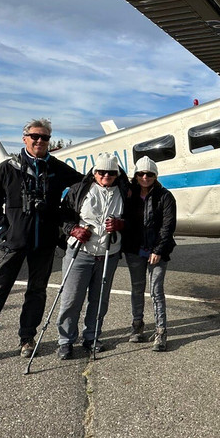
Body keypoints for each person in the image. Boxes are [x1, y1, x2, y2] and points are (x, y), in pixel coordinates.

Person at [0, 119, 82, 371]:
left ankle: (27, 338)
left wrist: (120, 184)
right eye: (34, 136)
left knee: (36, 291)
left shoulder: (57, 168)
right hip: (13, 243)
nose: (39, 141)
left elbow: (86, 183)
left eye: (45, 138)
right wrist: (2, 229)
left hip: (44, 244)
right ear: (25, 138)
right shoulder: (8, 168)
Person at [55, 153, 129, 359]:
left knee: (99, 300)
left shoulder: (124, 191)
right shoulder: (80, 189)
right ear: (94, 172)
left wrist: (122, 224)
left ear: (117, 174)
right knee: (71, 300)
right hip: (80, 252)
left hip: (108, 253)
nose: (106, 175)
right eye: (101, 171)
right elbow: (63, 215)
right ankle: (65, 341)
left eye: (111, 172)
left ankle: (92, 338)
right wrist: (73, 229)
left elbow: (132, 219)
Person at [122, 156, 177, 351]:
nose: (145, 177)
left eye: (150, 174)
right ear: (135, 176)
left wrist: (158, 250)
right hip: (134, 250)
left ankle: (161, 331)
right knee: (137, 288)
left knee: (156, 291)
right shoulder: (129, 195)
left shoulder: (165, 196)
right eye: (141, 174)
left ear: (155, 176)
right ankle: (137, 326)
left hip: (157, 252)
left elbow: (168, 226)